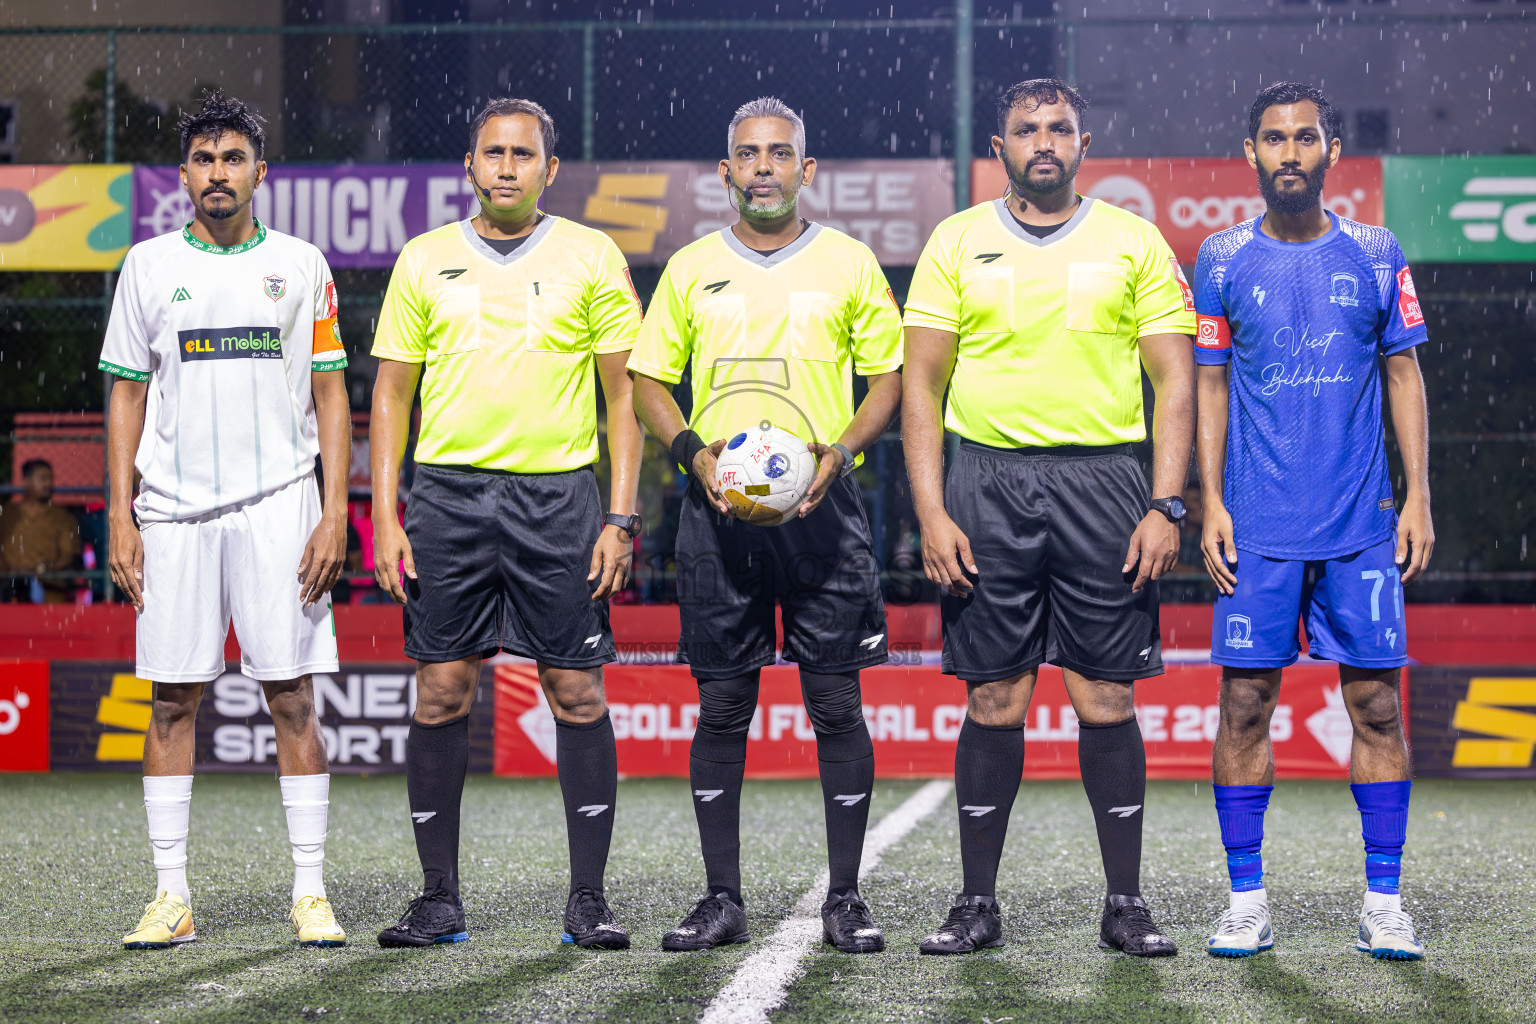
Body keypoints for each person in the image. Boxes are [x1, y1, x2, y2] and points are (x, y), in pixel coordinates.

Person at [902, 78, 1196, 957]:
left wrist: (1165, 503)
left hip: (1105, 484)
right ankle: (976, 904)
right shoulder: (957, 240)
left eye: (1059, 128)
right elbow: (921, 386)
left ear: (1083, 144)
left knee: (1106, 696)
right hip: (987, 484)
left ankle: (1125, 904)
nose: (1044, 142)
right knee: (995, 696)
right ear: (1000, 148)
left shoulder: (1133, 241)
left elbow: (1175, 379)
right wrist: (931, 511)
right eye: (1027, 129)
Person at [629, 96, 903, 954]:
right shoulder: (690, 268)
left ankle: (846, 899)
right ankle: (722, 900)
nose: (763, 168)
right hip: (718, 516)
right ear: (726, 171)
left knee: (835, 703)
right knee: (722, 706)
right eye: (747, 154)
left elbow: (888, 382)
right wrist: (693, 455)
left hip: (823, 511)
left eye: (779, 153)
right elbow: (648, 382)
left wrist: (841, 453)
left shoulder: (850, 263)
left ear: (805, 169)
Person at [369, 97, 644, 950]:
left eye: (524, 154)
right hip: (447, 501)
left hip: (558, 501)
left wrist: (621, 517)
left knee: (577, 691)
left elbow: (625, 395)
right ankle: (437, 899)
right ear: (470, 165)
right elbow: (391, 394)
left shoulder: (592, 256)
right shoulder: (424, 259)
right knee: (441, 691)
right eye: (493, 152)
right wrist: (384, 515)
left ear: (550, 170)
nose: (507, 166)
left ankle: (589, 900)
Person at [100, 91, 350, 950]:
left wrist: (335, 511)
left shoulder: (301, 264)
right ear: (183, 176)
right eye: (204, 159)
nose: (218, 173)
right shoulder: (146, 266)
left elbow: (331, 391)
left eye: (233, 158)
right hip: (172, 513)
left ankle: (310, 893)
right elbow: (126, 393)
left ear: (259, 172)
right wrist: (121, 513)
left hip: (282, 503)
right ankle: (171, 898)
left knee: (293, 698)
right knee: (172, 702)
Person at [1195, 83, 1433, 961]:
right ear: (1250, 153)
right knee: (1243, 706)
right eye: (1273, 139)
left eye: (1304, 138)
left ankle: (1384, 904)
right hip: (1256, 528)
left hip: (1361, 524)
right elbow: (1210, 384)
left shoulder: (1376, 251)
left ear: (1332, 151)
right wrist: (1211, 500)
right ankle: (1246, 902)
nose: (1289, 153)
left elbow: (1403, 374)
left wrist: (1418, 496)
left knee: (1376, 706)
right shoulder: (1220, 257)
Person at [0, 459, 80, 603]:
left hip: (50, 593)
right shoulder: (8, 513)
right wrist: (11, 572)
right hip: (9, 591)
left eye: (50, 479)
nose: (48, 484)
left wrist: (41, 569)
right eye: (43, 479)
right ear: (26, 481)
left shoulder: (62, 517)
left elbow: (68, 556)